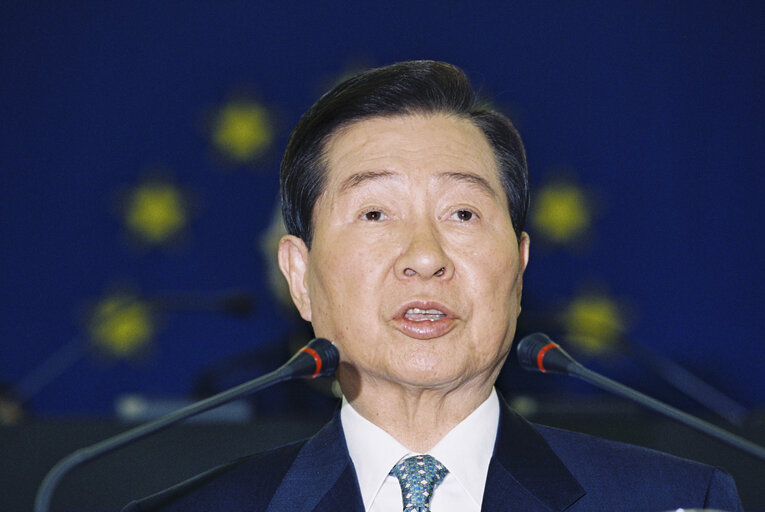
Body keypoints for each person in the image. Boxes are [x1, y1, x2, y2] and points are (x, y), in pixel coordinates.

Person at [123, 60, 743, 511]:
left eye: (464, 214)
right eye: (375, 214)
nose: (425, 257)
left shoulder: (678, 502)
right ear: (299, 278)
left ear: (520, 267)